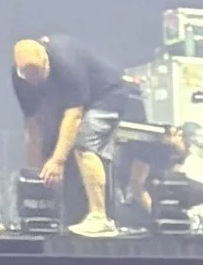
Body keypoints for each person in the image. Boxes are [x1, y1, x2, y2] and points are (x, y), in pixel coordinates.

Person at [10, 34, 136, 234]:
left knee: (83, 144)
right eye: (29, 78)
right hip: (77, 103)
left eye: (39, 75)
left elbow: (74, 116)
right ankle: (70, 215)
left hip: (108, 95)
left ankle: (100, 217)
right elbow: (32, 124)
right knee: (54, 145)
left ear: (46, 61)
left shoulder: (66, 61)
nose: (35, 82)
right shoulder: (20, 78)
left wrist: (57, 161)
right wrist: (36, 176)